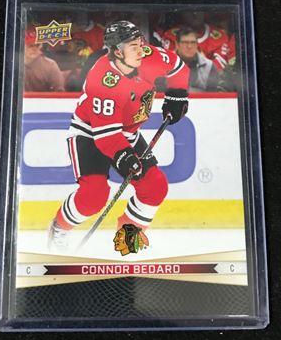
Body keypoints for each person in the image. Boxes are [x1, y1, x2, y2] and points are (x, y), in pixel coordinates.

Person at [47, 20, 190, 253]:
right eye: (133, 46)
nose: (141, 50)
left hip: (127, 132)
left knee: (154, 187)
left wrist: (177, 94)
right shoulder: (103, 80)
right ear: (116, 52)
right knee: (94, 196)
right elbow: (106, 136)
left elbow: (178, 67)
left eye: (140, 43)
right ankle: (59, 227)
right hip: (91, 132)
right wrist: (124, 156)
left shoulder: (149, 56)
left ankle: (127, 237)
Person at [175, 27, 221, 92]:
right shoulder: (164, 64)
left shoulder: (209, 66)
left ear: (197, 44)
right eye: (185, 42)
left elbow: (213, 95)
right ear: (177, 45)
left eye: (193, 42)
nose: (189, 46)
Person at [23, 28, 65, 92]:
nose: (34, 49)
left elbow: (59, 93)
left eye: (37, 45)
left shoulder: (50, 65)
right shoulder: (13, 64)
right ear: (22, 46)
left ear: (41, 46)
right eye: (30, 45)